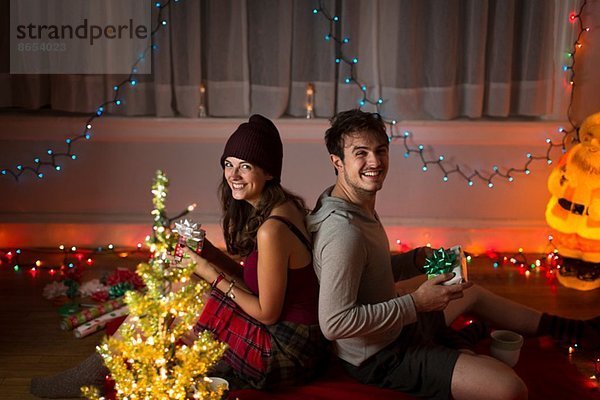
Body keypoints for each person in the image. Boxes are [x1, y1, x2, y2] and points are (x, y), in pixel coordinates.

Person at [306, 109, 600, 400]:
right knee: (511, 390)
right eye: (360, 153)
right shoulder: (343, 232)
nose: (374, 161)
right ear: (338, 162)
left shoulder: (354, 202)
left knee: (471, 293)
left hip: (394, 325)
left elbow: (366, 270)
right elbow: (334, 323)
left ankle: (576, 330)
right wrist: (416, 303)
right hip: (378, 355)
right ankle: (456, 344)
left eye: (380, 150)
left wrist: (415, 259)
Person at [31, 115, 325, 397]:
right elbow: (258, 284)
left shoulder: (271, 230)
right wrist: (208, 253)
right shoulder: (280, 207)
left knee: (184, 287)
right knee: (186, 283)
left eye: (245, 166)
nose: (233, 175)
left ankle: (94, 373)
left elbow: (267, 312)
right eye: (228, 164)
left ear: (269, 171)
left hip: (285, 353)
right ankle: (106, 368)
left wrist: (208, 270)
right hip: (289, 337)